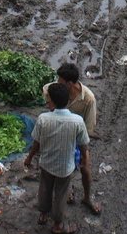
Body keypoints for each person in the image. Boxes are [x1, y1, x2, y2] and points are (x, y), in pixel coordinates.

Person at [24, 83, 90, 234]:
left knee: (45, 189)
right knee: (61, 194)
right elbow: (83, 144)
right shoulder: (77, 121)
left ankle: (43, 214)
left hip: (46, 164)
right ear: (67, 101)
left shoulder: (43, 119)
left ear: (52, 102)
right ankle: (58, 224)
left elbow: (37, 143)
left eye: (48, 100)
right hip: (65, 167)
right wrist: (84, 161)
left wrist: (29, 157)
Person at [43, 64, 101, 214]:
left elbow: (87, 132)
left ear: (69, 83)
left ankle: (87, 198)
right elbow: (47, 97)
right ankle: (67, 191)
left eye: (60, 81)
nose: (57, 82)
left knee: (85, 169)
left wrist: (84, 153)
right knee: (62, 168)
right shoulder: (55, 89)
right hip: (59, 134)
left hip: (76, 136)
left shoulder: (88, 99)